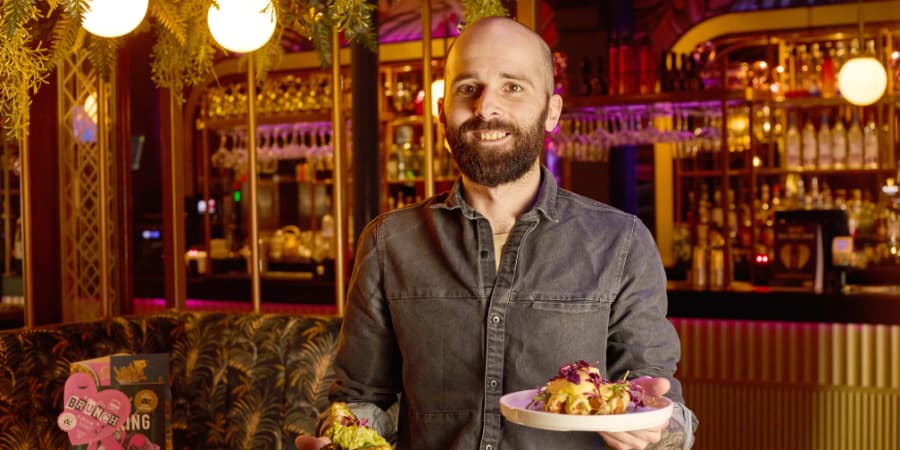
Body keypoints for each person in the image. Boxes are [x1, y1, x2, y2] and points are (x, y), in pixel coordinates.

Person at [297, 16, 697, 450]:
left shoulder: (622, 243)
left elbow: (670, 414)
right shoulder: (388, 242)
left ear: (552, 112)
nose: (486, 107)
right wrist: (342, 437)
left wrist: (659, 432)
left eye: (513, 87)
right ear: (441, 111)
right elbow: (360, 399)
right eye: (468, 88)